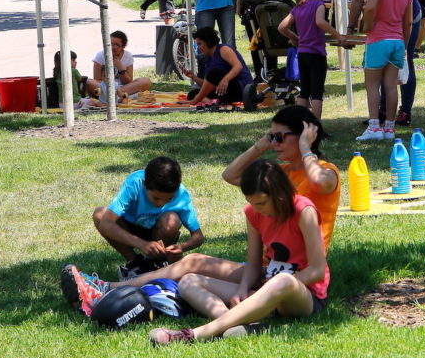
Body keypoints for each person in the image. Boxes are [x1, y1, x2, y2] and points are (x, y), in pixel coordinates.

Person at [61, 108, 340, 317]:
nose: (275, 142)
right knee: (191, 263)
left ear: (305, 135)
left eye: (280, 137)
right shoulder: (277, 175)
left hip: (294, 277)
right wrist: (262, 144)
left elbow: (319, 182)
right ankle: (106, 288)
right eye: (272, 136)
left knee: (198, 275)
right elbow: (230, 175)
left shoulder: (326, 172)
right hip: (269, 269)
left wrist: (305, 147)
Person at [146, 158, 329, 345]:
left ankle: (192, 335)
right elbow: (254, 264)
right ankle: (248, 323)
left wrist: (270, 290)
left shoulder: (303, 210)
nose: (256, 209)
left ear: (279, 194)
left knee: (283, 280)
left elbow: (317, 270)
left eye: (261, 203)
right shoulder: (253, 213)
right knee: (188, 281)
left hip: (303, 296)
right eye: (252, 202)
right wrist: (242, 290)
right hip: (267, 289)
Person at [87, 156, 205, 281]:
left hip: (159, 233)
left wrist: (182, 247)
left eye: (169, 199)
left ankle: (156, 263)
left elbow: (198, 236)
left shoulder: (181, 194)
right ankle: (135, 262)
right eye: (156, 198)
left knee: (171, 219)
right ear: (144, 184)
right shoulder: (134, 183)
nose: (161, 204)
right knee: (100, 214)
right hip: (129, 228)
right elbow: (106, 223)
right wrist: (141, 244)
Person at [358, 0, 413, 142]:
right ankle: (389, 128)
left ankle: (374, 127)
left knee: (372, 85)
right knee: (391, 86)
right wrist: (404, 45)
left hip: (378, 41)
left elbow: (370, 7)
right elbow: (408, 23)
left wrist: (367, 25)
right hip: (397, 42)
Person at [279, 0, 345, 119]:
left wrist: (295, 38)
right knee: (317, 92)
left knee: (304, 91)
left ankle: (300, 124)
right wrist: (338, 35)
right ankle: (316, 127)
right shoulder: (318, 5)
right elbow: (320, 22)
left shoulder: (298, 7)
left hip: (302, 54)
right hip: (316, 54)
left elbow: (282, 27)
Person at [182, 25, 254, 106]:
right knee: (192, 94)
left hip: (241, 89)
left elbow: (238, 66)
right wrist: (193, 77)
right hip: (224, 90)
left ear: (208, 42)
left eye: (199, 44)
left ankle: (203, 100)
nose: (198, 48)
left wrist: (225, 79)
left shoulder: (223, 49)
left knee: (214, 73)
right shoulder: (208, 58)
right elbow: (208, 84)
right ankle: (213, 101)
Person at [85, 30, 153, 103]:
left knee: (146, 81)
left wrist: (120, 68)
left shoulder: (128, 56)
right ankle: (120, 96)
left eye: (116, 45)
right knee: (89, 82)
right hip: (105, 88)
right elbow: (97, 79)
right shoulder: (100, 56)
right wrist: (110, 86)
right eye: (110, 44)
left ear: (123, 46)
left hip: (123, 87)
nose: (112, 47)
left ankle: (117, 96)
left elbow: (128, 82)